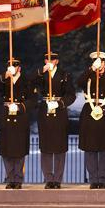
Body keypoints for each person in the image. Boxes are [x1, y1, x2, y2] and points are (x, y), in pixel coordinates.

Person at [31, 52, 76, 189]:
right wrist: (41, 71)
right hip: (45, 111)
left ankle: (57, 179)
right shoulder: (41, 74)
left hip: (59, 111)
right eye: (47, 59)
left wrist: (60, 103)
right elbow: (29, 82)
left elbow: (71, 95)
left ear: (57, 61)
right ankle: (48, 178)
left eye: (52, 59)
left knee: (59, 146)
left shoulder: (64, 75)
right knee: (46, 146)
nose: (49, 61)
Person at [77, 52, 105, 189]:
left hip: (104, 115)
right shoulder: (88, 77)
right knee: (90, 149)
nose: (99, 64)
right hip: (89, 114)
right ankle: (93, 179)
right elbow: (79, 83)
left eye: (101, 62)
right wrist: (91, 70)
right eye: (96, 62)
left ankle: (102, 179)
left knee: (103, 149)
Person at [0, 58, 30, 189]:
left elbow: (32, 100)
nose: (14, 68)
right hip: (6, 116)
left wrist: (20, 107)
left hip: (20, 117)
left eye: (16, 66)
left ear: (19, 68)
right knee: (7, 150)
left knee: (19, 150)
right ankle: (10, 178)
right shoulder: (5, 80)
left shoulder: (26, 81)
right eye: (11, 66)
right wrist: (5, 76)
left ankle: (18, 179)